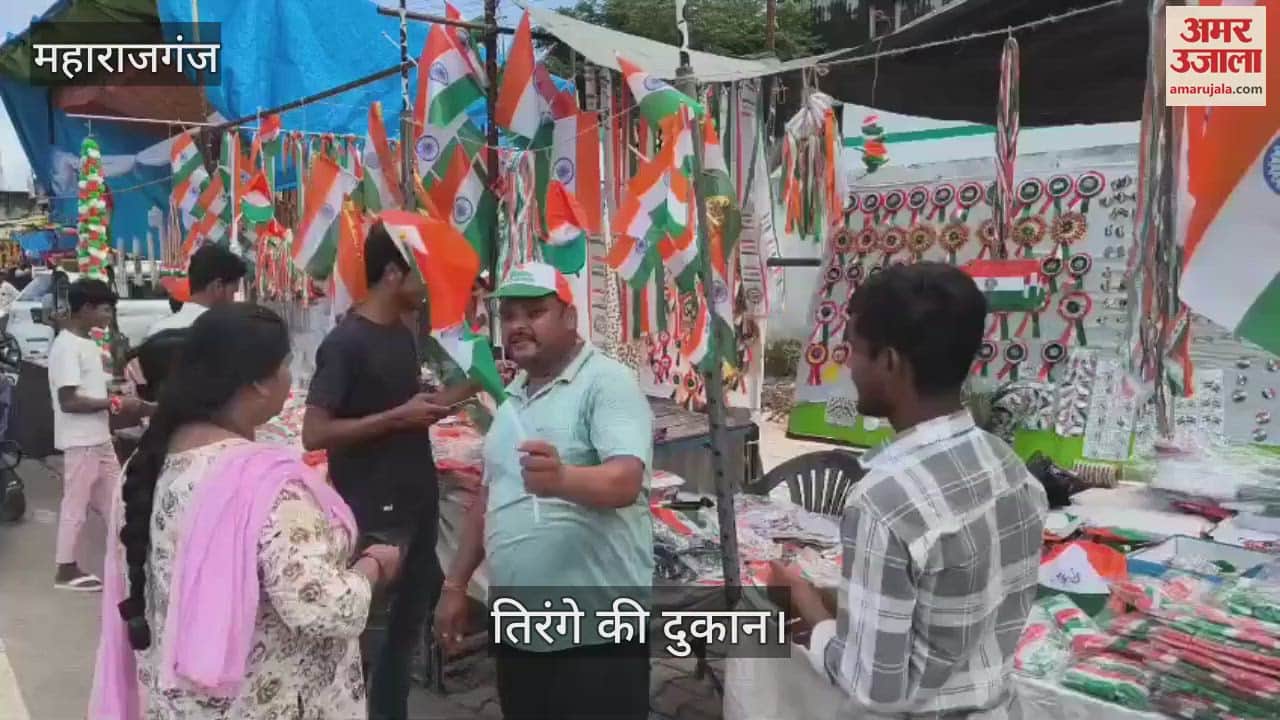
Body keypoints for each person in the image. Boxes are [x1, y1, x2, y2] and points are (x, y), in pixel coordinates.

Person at [90, 303, 402, 720]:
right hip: (264, 702)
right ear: (258, 381)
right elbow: (324, 608)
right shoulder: (268, 488)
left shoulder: (146, 463)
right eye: (286, 365)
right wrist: (373, 566)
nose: (290, 379)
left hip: (181, 704)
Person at [771, 262, 1048, 719]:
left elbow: (874, 687)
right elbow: (952, 614)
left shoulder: (883, 504)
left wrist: (807, 606)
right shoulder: (1008, 466)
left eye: (854, 349)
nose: (849, 364)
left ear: (890, 361)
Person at [434, 262, 654, 720]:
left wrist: (563, 480)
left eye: (534, 313)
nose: (518, 326)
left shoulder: (606, 382)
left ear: (570, 318)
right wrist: (455, 584)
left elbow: (626, 480)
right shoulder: (514, 393)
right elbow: (490, 495)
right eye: (510, 315)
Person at [302, 222, 471, 720]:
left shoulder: (404, 332)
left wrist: (472, 387)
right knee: (367, 639)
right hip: (374, 510)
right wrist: (395, 418)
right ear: (394, 273)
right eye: (425, 270)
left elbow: (410, 411)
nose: (433, 282)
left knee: (406, 630)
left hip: (416, 499)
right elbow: (315, 432)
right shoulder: (346, 342)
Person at [47, 278, 149, 591]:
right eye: (106, 309)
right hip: (81, 442)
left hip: (98, 439)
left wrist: (111, 400)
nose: (109, 316)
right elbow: (69, 401)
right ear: (87, 308)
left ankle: (129, 557)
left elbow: (87, 391)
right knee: (75, 505)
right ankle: (65, 568)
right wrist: (116, 402)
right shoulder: (67, 347)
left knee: (116, 502)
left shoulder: (86, 344)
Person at [146, 243, 246, 337]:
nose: (233, 301)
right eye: (233, 293)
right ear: (218, 286)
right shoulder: (232, 335)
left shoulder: (157, 331)